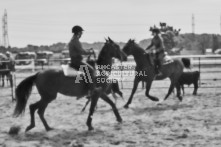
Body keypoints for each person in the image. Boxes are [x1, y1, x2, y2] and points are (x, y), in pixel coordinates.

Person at [68, 25, 101, 97]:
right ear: (78, 32)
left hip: (75, 60)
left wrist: (88, 50)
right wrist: (89, 52)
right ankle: (91, 90)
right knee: (91, 70)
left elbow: (81, 50)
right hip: (76, 61)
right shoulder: (75, 40)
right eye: (81, 32)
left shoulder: (74, 40)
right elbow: (81, 51)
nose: (82, 34)